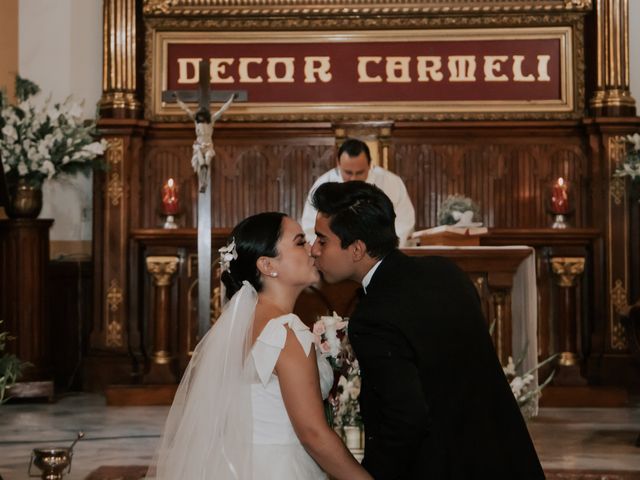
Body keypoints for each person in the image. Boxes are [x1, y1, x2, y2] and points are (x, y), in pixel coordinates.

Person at [310, 181, 546, 480]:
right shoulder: (446, 272)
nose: (313, 249)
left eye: (322, 240)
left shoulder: (374, 316)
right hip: (505, 456)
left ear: (356, 249)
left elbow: (405, 417)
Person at [147, 212, 372, 480]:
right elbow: (313, 434)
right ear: (267, 265)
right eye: (300, 242)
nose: (312, 249)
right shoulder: (286, 331)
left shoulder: (239, 327)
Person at [301, 138, 415, 246]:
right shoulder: (323, 184)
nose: (353, 179)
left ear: (370, 164)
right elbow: (310, 227)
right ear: (338, 164)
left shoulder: (391, 182)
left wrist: (385, 253)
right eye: (348, 172)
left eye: (360, 172)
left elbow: (404, 224)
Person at [174, 92, 235, 192]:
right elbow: (185, 109)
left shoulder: (211, 120)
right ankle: (202, 183)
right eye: (199, 117)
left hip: (208, 145)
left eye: (202, 117)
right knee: (200, 165)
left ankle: (205, 177)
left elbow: (222, 110)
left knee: (207, 158)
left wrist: (231, 100)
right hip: (198, 145)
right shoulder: (196, 120)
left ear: (205, 116)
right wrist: (178, 100)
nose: (201, 118)